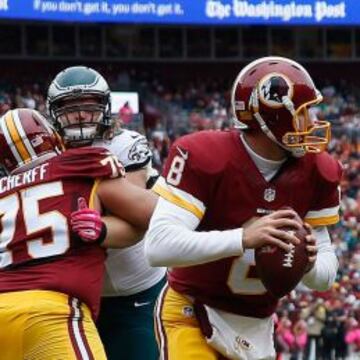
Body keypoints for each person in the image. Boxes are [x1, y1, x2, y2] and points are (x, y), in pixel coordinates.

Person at [144, 56, 342, 360]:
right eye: (304, 112)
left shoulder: (318, 171)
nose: (313, 123)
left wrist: (310, 261)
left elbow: (325, 277)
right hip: (193, 312)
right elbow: (158, 247)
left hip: (258, 328)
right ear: (272, 117)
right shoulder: (206, 156)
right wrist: (242, 238)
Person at [0, 108, 158, 360]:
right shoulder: (84, 165)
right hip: (52, 313)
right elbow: (157, 214)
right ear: (51, 135)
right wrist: (103, 227)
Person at [47, 65, 166, 360]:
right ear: (53, 112)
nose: (80, 115)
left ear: (105, 108)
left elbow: (136, 214)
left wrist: (98, 228)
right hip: (76, 296)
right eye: (69, 108)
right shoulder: (47, 153)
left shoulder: (124, 144)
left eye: (88, 106)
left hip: (137, 292)